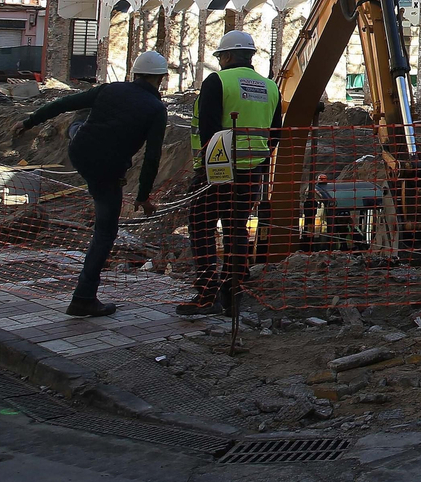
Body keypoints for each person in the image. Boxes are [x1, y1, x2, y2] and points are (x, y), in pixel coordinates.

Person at [14, 51, 170, 318]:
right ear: (161, 78)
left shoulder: (109, 89)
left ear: (135, 73)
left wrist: (28, 122)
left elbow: (63, 103)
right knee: (105, 232)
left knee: (79, 121)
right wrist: (143, 196)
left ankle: (75, 130)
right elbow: (152, 157)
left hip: (81, 152)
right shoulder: (157, 109)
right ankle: (84, 297)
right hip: (109, 169)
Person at [178, 30, 282, 316]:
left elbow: (210, 132)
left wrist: (211, 171)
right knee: (236, 228)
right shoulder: (271, 87)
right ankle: (233, 291)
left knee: (202, 226)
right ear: (250, 56)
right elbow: (275, 135)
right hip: (252, 171)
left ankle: (206, 294)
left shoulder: (218, 81)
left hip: (217, 171)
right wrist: (257, 163)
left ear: (226, 56)